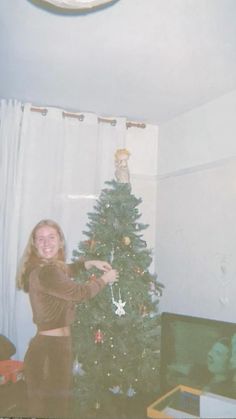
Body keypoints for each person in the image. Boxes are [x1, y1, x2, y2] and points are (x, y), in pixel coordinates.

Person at [16, 219, 118, 419]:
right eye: (41, 239)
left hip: (55, 347)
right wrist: (105, 279)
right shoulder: (46, 271)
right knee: (53, 410)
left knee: (53, 408)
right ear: (34, 244)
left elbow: (67, 270)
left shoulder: (50, 267)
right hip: (49, 350)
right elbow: (80, 293)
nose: (46, 243)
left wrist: (89, 263)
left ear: (60, 241)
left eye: (51, 237)